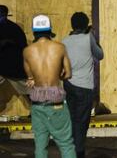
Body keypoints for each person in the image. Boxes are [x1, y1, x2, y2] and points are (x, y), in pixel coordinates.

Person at [23, 14, 76, 158]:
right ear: (49, 29)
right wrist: (57, 75)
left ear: (34, 31)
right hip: (56, 100)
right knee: (66, 144)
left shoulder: (27, 51)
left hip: (38, 101)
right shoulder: (60, 47)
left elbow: (30, 78)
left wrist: (35, 79)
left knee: (40, 146)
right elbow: (69, 74)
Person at [62, 12, 104, 158]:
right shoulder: (88, 38)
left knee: (72, 119)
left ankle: (70, 150)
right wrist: (93, 37)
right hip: (84, 87)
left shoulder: (65, 41)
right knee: (82, 121)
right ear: (86, 24)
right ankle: (78, 153)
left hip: (68, 84)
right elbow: (100, 55)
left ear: (72, 24)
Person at [0, 5, 29, 103]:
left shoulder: (13, 28)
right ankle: (36, 109)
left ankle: (36, 109)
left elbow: (22, 46)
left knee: (27, 90)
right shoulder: (15, 28)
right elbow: (23, 45)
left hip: (12, 65)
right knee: (27, 90)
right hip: (13, 66)